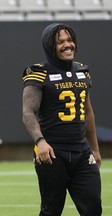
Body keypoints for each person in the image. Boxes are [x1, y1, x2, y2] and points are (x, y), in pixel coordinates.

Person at [22, 23, 102, 216]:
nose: (68, 45)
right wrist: (40, 142)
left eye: (70, 40)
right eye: (60, 42)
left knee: (93, 208)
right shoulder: (38, 73)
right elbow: (28, 113)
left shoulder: (82, 70)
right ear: (51, 47)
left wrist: (95, 148)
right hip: (52, 153)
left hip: (82, 151)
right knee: (51, 211)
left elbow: (87, 111)